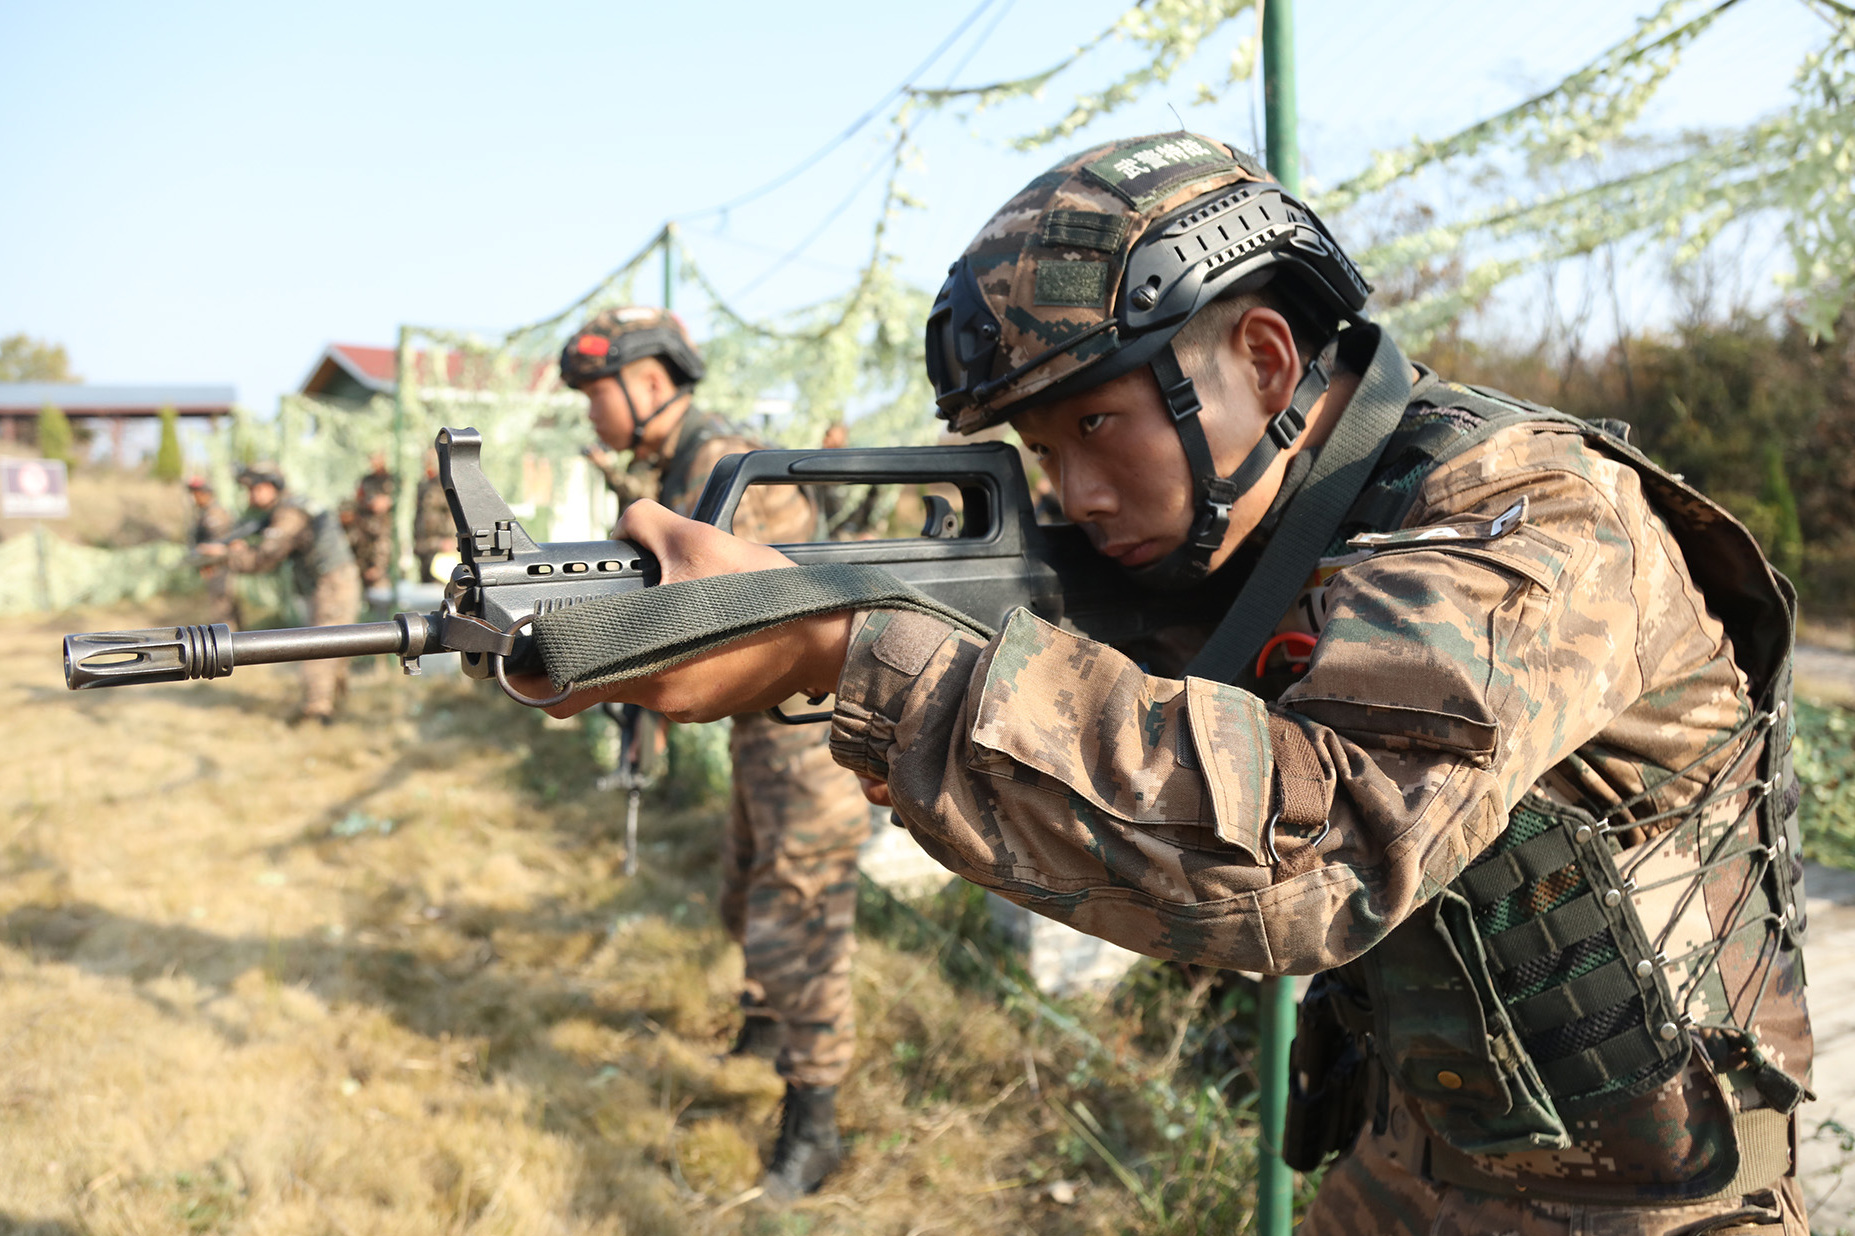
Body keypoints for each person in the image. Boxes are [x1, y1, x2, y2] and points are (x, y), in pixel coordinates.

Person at [525, 135, 1813, 1232]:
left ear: (1261, 360)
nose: (1075, 493)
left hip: (1654, 1204)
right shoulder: (1254, 531)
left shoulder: (1520, 516)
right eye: (1040, 446)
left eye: (1098, 424)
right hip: (1413, 1154)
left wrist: (850, 654)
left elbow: (1309, 858)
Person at [558, 306, 872, 1198]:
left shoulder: (728, 467)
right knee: (746, 890)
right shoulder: (688, 463)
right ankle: (765, 1026)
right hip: (760, 729)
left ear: (649, 385)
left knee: (801, 912)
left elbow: (769, 614)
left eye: (594, 394)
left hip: (807, 731)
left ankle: (814, 1116)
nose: (589, 412)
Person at [198, 463, 361, 724]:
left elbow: (264, 558)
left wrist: (225, 555)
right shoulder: (291, 507)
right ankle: (337, 708)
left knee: (322, 646)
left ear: (272, 486)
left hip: (331, 585)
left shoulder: (289, 514)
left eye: (255, 488)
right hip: (334, 581)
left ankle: (316, 714)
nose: (250, 496)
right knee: (338, 645)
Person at [184, 475, 240, 630]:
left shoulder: (216, 514)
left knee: (222, 616)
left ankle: (229, 649)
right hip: (213, 569)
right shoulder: (203, 513)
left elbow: (219, 546)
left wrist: (206, 560)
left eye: (196, 492)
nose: (194, 497)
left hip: (221, 568)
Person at [413, 451, 454, 583]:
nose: (428, 464)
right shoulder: (423, 485)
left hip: (444, 550)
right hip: (426, 548)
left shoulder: (446, 483)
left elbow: (453, 513)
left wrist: (451, 541)